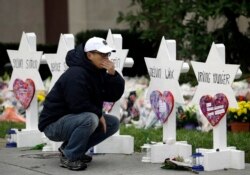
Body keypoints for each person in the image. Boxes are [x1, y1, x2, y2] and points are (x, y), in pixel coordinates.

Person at [38, 37, 125, 171]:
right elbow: (77, 104)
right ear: (89, 55)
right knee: (91, 119)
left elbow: (112, 96)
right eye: (102, 54)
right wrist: (98, 114)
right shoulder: (76, 73)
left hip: (73, 119)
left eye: (107, 54)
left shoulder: (97, 72)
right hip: (53, 125)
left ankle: (70, 149)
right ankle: (70, 156)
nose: (106, 57)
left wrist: (112, 75)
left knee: (113, 123)